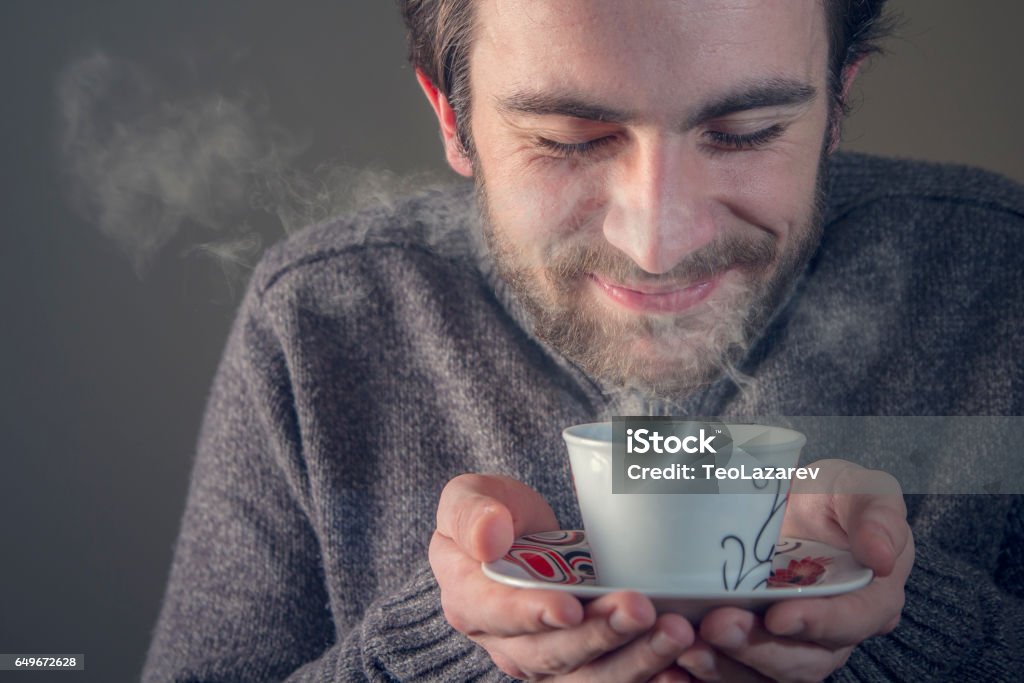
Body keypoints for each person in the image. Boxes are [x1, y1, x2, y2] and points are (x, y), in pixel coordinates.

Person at [143, 1, 1024, 681]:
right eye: (570, 141)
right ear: (452, 117)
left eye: (746, 132)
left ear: (838, 104)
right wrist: (455, 645)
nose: (657, 243)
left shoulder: (1001, 276)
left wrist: (886, 617)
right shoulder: (319, 317)